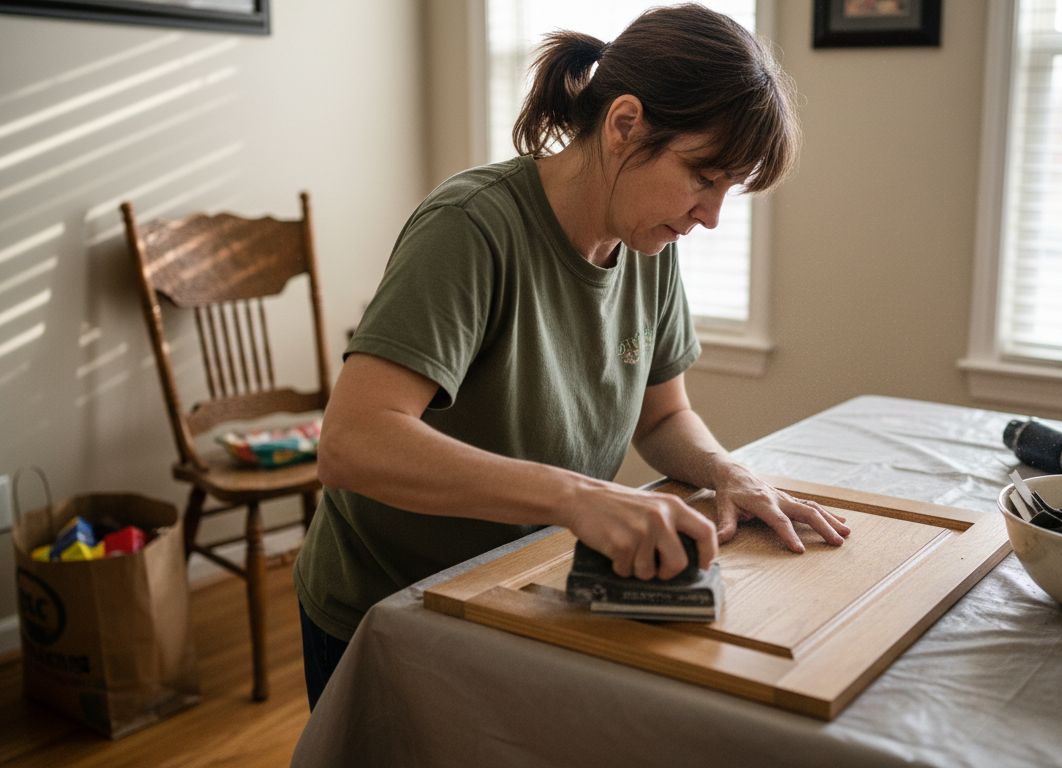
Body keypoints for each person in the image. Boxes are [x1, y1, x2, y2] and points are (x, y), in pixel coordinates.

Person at [293, 3, 850, 710]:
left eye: (728, 190)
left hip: (523, 582)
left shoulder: (649, 242)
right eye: (703, 177)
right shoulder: (471, 227)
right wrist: (579, 497)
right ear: (624, 125)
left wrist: (725, 470)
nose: (711, 216)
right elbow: (353, 443)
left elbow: (663, 416)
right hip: (390, 605)